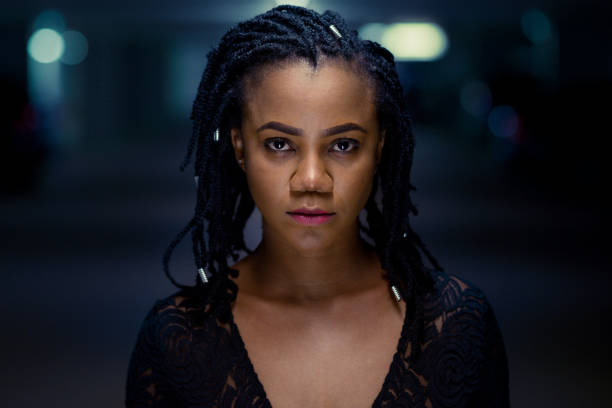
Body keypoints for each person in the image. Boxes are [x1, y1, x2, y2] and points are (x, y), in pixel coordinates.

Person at [125, 5, 510, 407]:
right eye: (279, 144)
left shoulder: (457, 323)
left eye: (343, 145)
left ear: (378, 150)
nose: (311, 179)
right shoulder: (178, 335)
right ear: (240, 149)